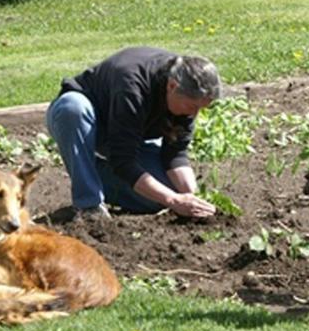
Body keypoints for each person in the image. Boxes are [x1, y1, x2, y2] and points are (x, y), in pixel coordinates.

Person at [46, 46, 221, 219]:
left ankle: (88, 171)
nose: (194, 114)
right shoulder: (133, 86)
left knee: (159, 197)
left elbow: (175, 154)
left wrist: (190, 195)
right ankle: (89, 205)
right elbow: (123, 160)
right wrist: (173, 200)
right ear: (172, 86)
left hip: (129, 134)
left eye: (201, 108)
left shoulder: (186, 89)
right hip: (86, 122)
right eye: (193, 106)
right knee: (73, 108)